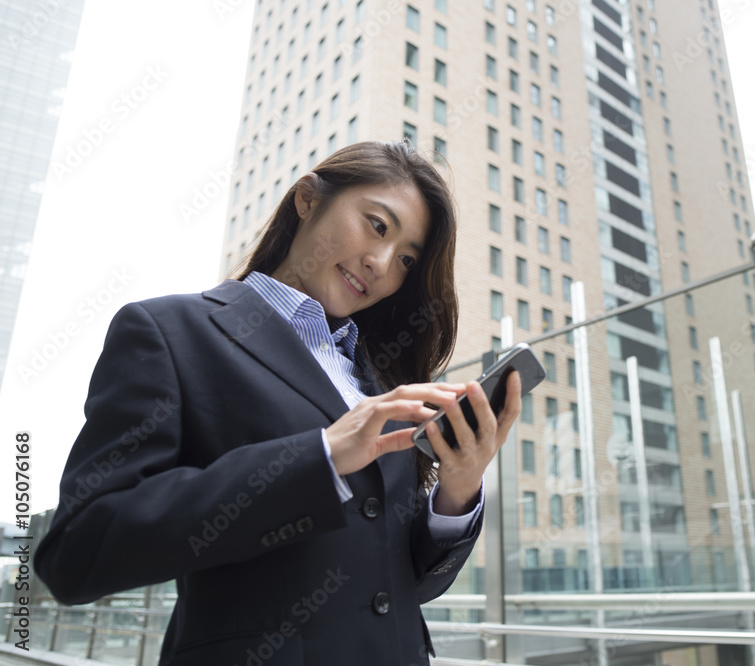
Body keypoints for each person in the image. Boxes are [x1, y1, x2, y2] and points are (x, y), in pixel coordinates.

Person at [35, 140, 520, 666]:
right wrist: (321, 458)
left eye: (406, 259)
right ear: (308, 200)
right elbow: (77, 553)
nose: (382, 264)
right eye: (378, 225)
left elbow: (406, 587)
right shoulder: (170, 334)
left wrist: (458, 491)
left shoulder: (380, 380)